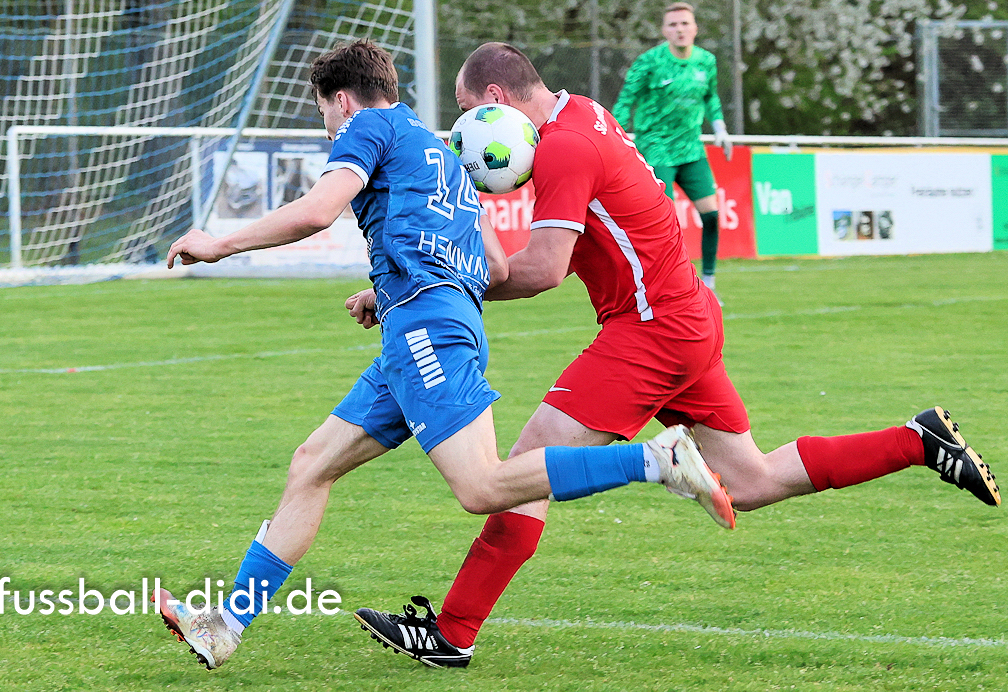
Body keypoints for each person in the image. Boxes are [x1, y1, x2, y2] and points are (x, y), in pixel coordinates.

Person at [352, 42, 1001, 669]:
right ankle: (917, 442)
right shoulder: (582, 114)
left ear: (497, 97)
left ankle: (453, 632)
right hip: (683, 315)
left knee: (523, 473)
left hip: (651, 332)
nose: (465, 129)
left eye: (469, 110)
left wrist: (421, 290)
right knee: (752, 481)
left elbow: (543, 270)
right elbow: (560, 251)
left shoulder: (565, 149)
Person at [153, 40, 732, 670]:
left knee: (482, 486)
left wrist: (221, 244)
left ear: (342, 101)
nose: (327, 127)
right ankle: (225, 625)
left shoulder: (366, 126)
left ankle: (656, 460)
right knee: (312, 464)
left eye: (323, 113)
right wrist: (398, 290)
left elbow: (319, 211)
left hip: (424, 331)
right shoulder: (443, 151)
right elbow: (498, 267)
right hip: (430, 325)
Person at [612, 2, 730, 295]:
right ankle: (665, 285)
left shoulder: (706, 61)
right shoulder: (649, 62)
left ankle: (709, 284)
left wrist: (720, 128)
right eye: (673, 25)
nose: (680, 30)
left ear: (695, 28)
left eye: (685, 24)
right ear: (664, 31)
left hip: (691, 149)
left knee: (712, 215)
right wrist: (615, 137)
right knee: (664, 222)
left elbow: (710, 97)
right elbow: (625, 101)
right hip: (656, 147)